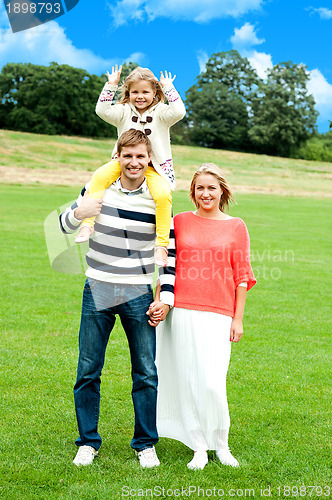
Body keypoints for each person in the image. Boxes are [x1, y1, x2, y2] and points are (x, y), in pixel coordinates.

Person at [59, 130, 175, 468]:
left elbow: (169, 250)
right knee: (88, 369)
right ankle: (87, 442)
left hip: (138, 291)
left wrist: (164, 297)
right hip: (97, 287)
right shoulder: (99, 186)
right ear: (118, 157)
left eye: (141, 157)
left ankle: (145, 444)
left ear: (149, 159)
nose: (134, 162)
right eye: (128, 156)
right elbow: (63, 224)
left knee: (145, 372)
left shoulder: (158, 196)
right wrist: (81, 213)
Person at [148, 163, 256, 470]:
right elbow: (167, 266)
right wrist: (159, 302)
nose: (205, 193)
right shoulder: (179, 222)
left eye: (211, 187)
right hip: (181, 311)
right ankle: (197, 444)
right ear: (192, 192)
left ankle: (220, 444)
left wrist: (238, 319)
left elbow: (243, 276)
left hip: (219, 313)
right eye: (199, 188)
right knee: (187, 379)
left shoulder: (236, 226)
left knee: (212, 381)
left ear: (222, 190)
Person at [75, 65, 186, 268]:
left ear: (155, 92)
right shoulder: (124, 112)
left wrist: (169, 87)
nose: (140, 96)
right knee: (98, 178)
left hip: (154, 168)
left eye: (145, 92)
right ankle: (87, 224)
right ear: (128, 93)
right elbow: (102, 110)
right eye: (135, 91)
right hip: (123, 163)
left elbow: (179, 111)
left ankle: (161, 246)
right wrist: (111, 85)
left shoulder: (162, 113)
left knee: (163, 195)